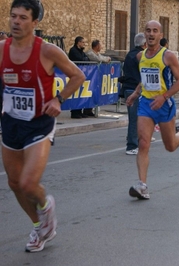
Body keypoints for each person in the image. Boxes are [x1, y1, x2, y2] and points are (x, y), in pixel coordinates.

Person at [0, 0, 85, 252]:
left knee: (27, 183)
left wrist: (58, 99)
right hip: (11, 122)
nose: (16, 21)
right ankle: (39, 226)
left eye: (23, 17)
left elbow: (78, 75)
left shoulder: (47, 51)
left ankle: (46, 206)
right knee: (14, 183)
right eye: (13, 16)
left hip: (39, 124)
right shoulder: (2, 49)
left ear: (35, 22)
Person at [125, 20, 179, 200]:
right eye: (148, 31)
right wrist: (135, 94)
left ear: (160, 35)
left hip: (164, 105)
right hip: (146, 103)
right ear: (144, 34)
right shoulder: (141, 56)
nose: (151, 34)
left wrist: (164, 97)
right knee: (143, 142)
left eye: (155, 31)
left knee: (169, 146)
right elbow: (145, 80)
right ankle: (142, 185)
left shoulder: (168, 56)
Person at [121, 33, 146, 155]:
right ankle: (131, 146)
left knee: (135, 118)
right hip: (135, 89)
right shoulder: (140, 55)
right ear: (145, 44)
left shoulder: (129, 54)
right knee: (134, 118)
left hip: (128, 88)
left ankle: (133, 138)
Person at [68, 36, 90, 118]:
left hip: (81, 74)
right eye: (83, 42)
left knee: (81, 93)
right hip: (74, 75)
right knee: (76, 93)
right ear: (79, 43)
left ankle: (80, 111)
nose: (84, 44)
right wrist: (84, 59)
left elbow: (87, 59)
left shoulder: (81, 51)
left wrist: (85, 59)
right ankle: (74, 112)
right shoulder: (73, 50)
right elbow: (80, 59)